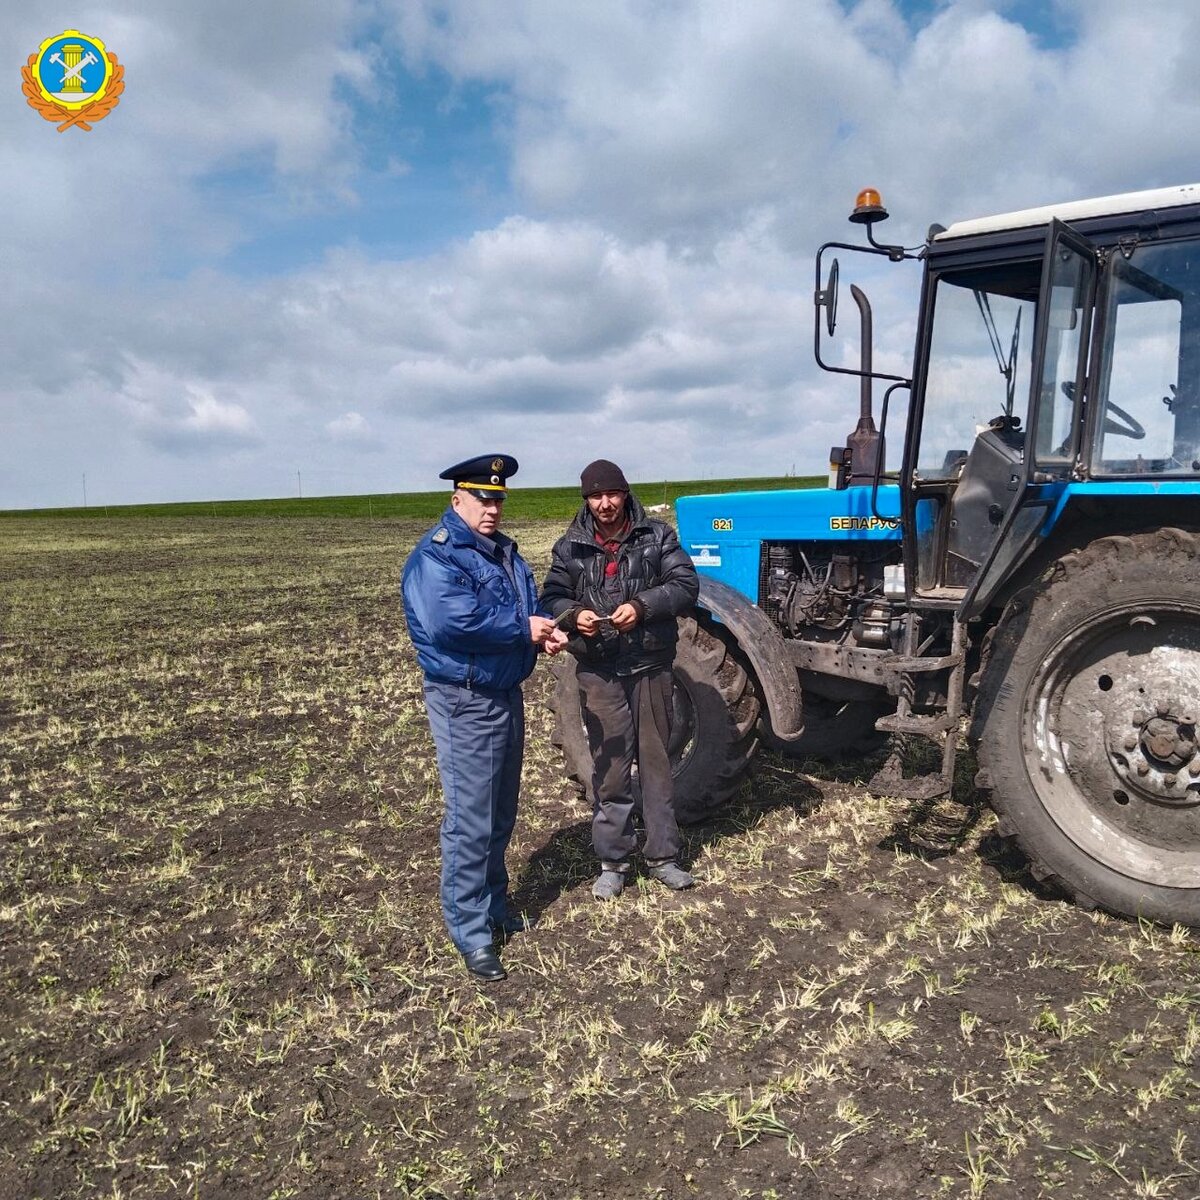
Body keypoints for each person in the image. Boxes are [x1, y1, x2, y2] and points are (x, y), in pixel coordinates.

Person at [401, 454, 567, 981]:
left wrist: (546, 631)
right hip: (464, 699)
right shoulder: (439, 557)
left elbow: (525, 608)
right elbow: (457, 622)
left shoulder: (504, 554)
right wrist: (527, 628)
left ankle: (494, 908)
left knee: (499, 813)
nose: (492, 507)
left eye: (498, 498)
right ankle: (471, 932)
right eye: (481, 497)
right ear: (457, 499)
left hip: (503, 692)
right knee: (472, 820)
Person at [540, 459, 700, 901]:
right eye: (595, 496)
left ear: (625, 494)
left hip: (649, 665)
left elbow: (686, 585)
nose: (605, 504)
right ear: (586, 500)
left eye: (612, 494)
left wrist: (644, 606)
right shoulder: (569, 547)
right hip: (599, 669)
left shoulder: (657, 535)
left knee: (656, 764)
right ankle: (613, 861)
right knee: (609, 769)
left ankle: (664, 858)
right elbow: (551, 596)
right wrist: (575, 616)